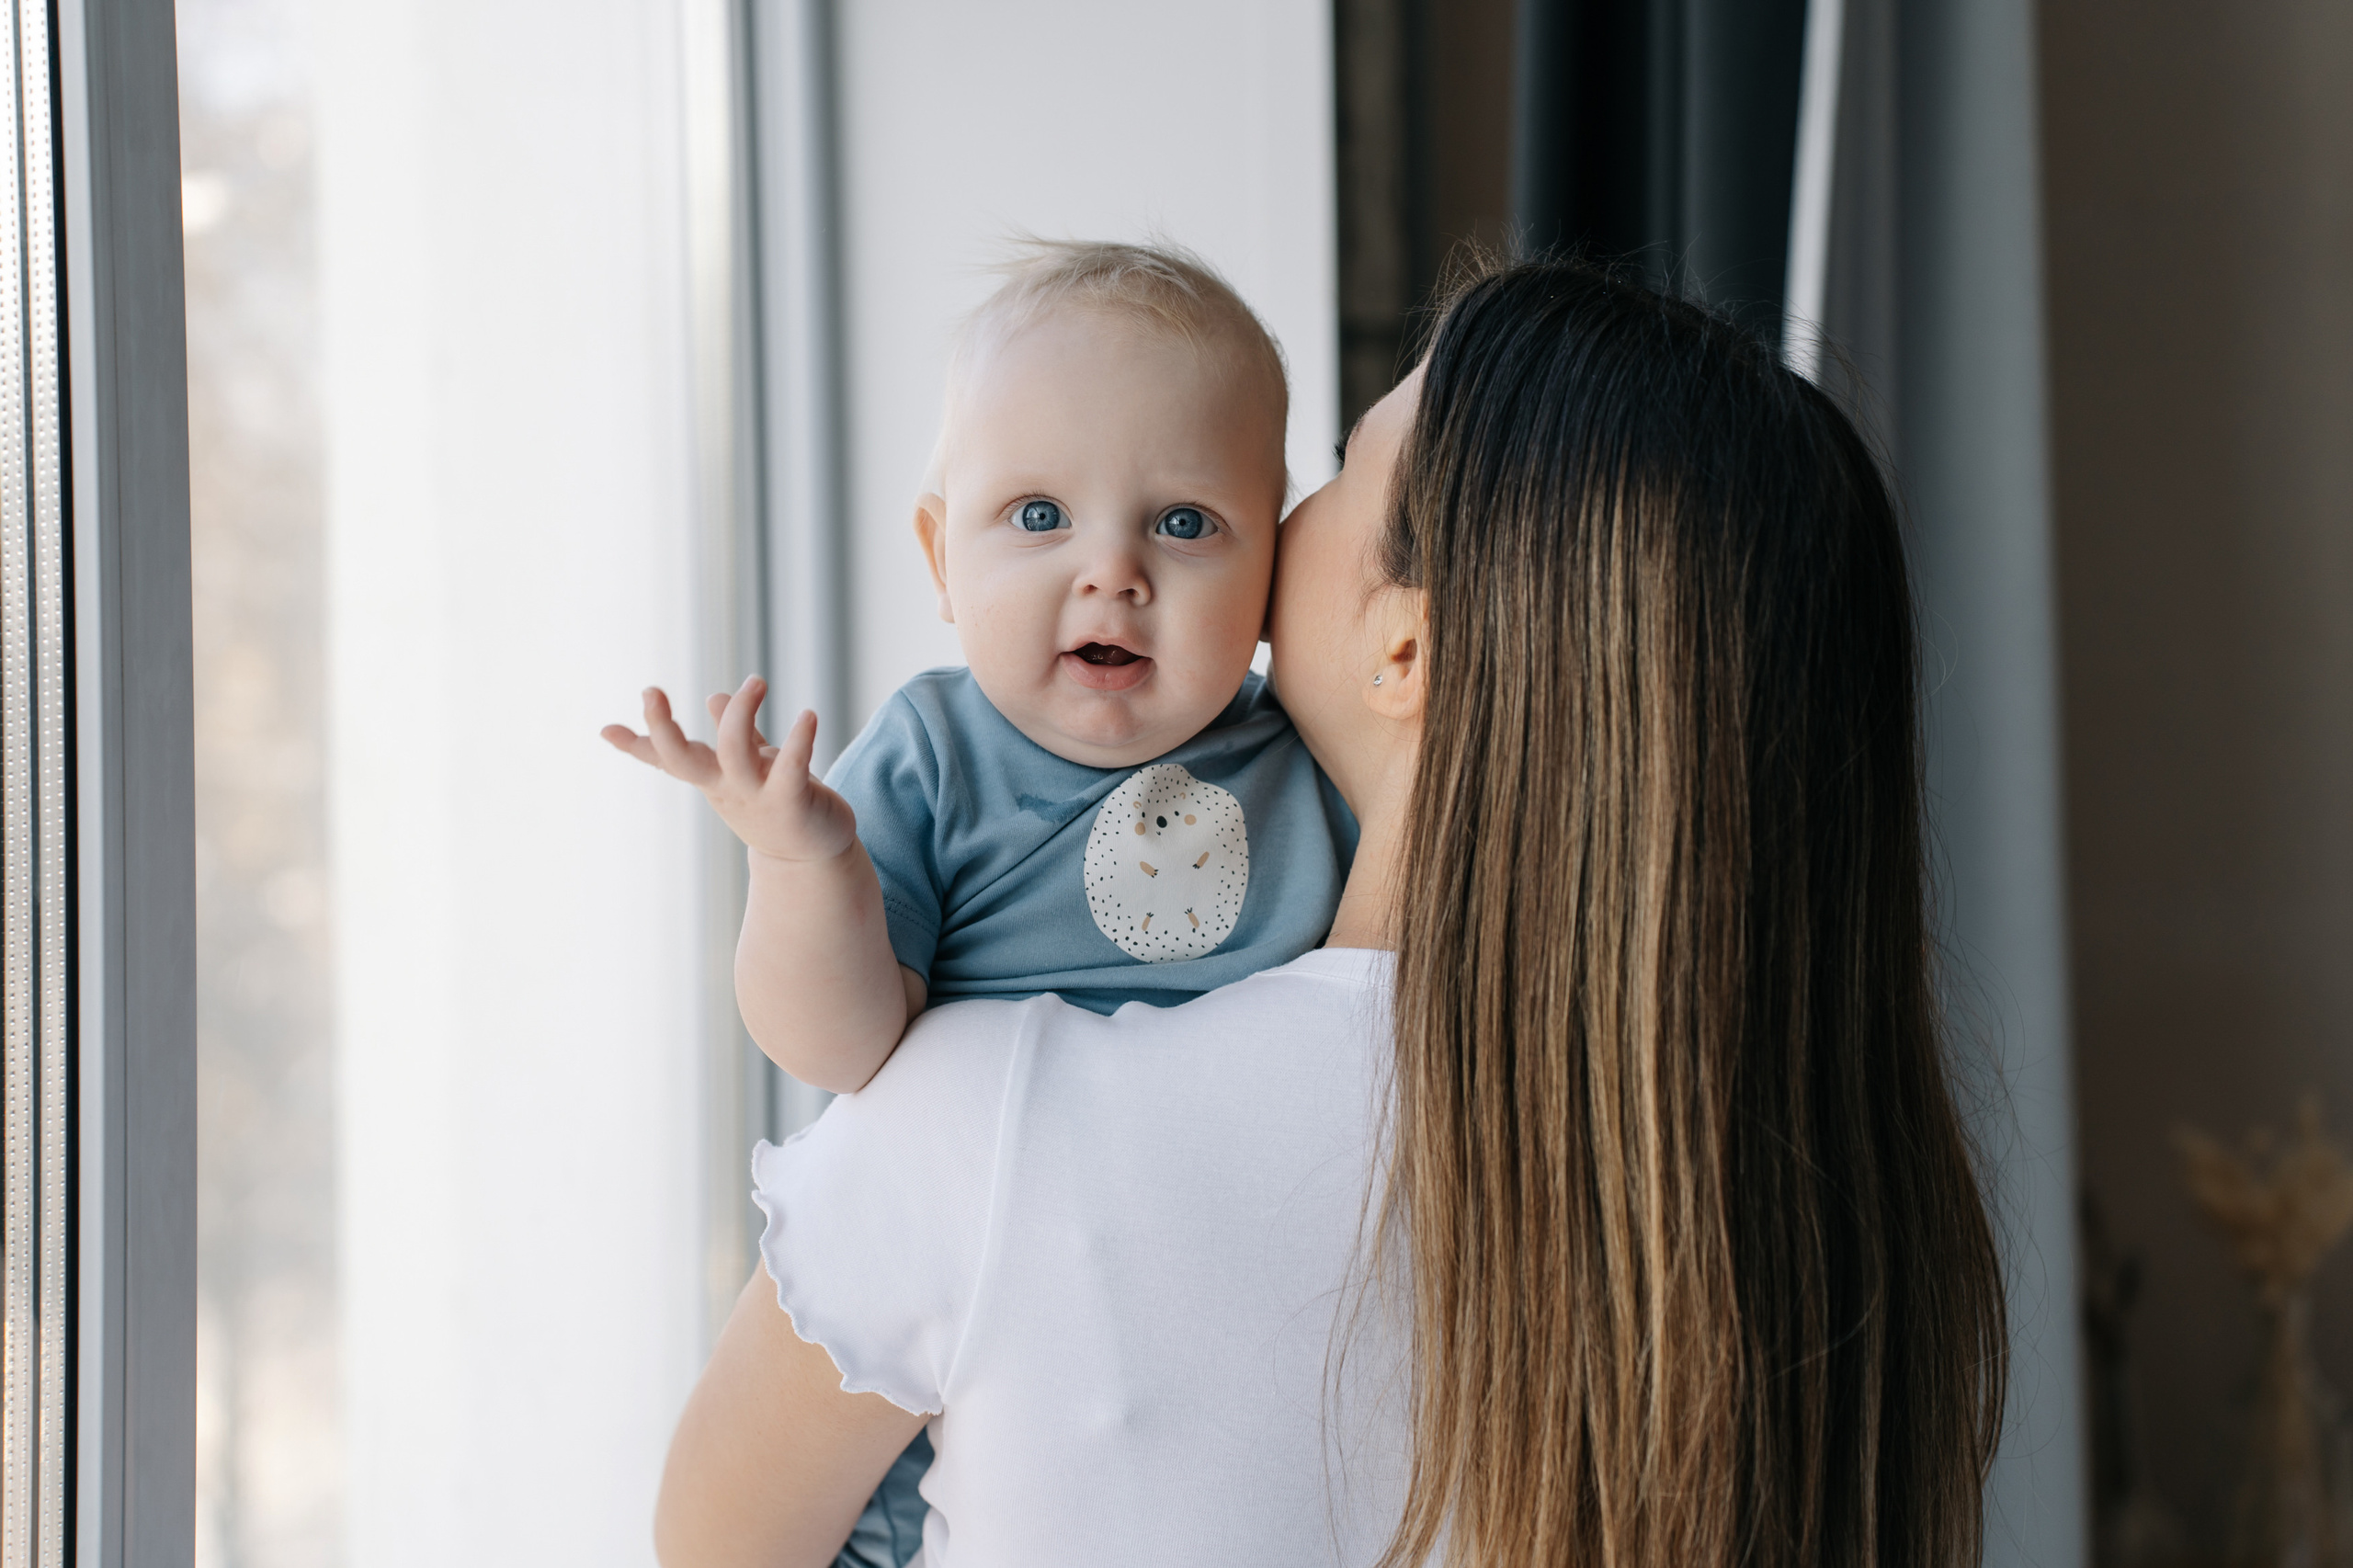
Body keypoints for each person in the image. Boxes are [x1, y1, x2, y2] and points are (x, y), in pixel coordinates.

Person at [652, 258, 2009, 1568]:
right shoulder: (1777, 1219)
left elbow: (707, 1544)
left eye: (1345, 469)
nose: (1285, 517)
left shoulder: (994, 1117)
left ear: (1405, 645)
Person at [608, 240, 1357, 1566]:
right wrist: (803, 869)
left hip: (1190, 1323)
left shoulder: (1302, 765)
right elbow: (839, 1045)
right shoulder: (934, 758)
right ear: (938, 554)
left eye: (1185, 522)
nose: (1113, 569)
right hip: (945, 1348)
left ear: (1273, 570)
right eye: (1036, 515)